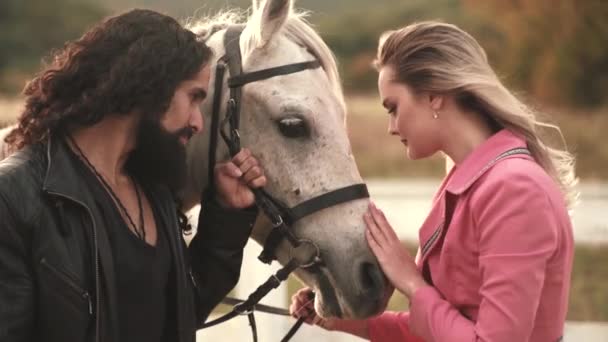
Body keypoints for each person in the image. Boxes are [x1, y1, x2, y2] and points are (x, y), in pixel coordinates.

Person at [290, 21, 577, 342]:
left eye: (393, 108)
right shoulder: (469, 180)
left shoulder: (515, 189)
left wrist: (411, 281)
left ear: (434, 96)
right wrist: (343, 322)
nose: (391, 127)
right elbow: (443, 330)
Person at [0, 9, 267, 342]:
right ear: (149, 86)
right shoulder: (14, 196)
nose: (197, 123)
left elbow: (182, 313)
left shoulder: (152, 187)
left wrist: (226, 215)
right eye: (193, 98)